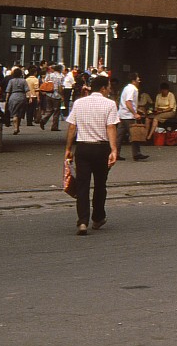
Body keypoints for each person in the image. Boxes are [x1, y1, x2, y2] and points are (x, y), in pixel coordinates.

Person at [64, 74, 119, 235]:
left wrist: (68, 148)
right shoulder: (110, 104)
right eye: (108, 87)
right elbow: (111, 128)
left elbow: (72, 127)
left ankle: (82, 221)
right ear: (103, 89)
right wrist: (114, 149)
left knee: (82, 186)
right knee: (100, 185)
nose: (109, 90)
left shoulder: (79, 103)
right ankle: (98, 217)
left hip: (83, 148)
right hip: (101, 149)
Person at [116, 74, 148, 161]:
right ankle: (136, 153)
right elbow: (128, 102)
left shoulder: (126, 88)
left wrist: (137, 109)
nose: (139, 81)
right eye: (138, 79)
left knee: (119, 136)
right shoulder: (132, 89)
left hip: (122, 114)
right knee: (135, 134)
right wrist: (135, 113)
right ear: (133, 81)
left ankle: (115, 153)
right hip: (128, 116)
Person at [38, 64, 64, 131]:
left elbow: (45, 83)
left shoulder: (49, 75)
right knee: (56, 111)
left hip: (48, 94)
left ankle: (43, 120)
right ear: (60, 69)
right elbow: (60, 87)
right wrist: (62, 95)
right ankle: (54, 126)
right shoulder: (60, 76)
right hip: (56, 95)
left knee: (49, 109)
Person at [3, 67, 28, 134]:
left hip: (13, 96)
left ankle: (15, 128)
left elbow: (8, 91)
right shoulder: (23, 80)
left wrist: (6, 99)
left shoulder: (11, 81)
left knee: (14, 114)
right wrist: (29, 97)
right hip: (22, 97)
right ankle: (18, 127)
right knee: (20, 113)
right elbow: (27, 90)